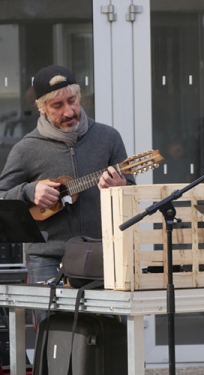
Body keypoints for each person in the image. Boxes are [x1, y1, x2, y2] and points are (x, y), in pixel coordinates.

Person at [0, 65, 135, 327]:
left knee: (105, 333)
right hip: (47, 258)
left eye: (72, 101)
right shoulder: (26, 149)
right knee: (53, 336)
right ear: (41, 107)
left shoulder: (108, 138)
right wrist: (30, 191)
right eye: (57, 105)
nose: (68, 111)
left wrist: (121, 186)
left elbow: (130, 190)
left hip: (101, 252)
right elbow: (3, 195)